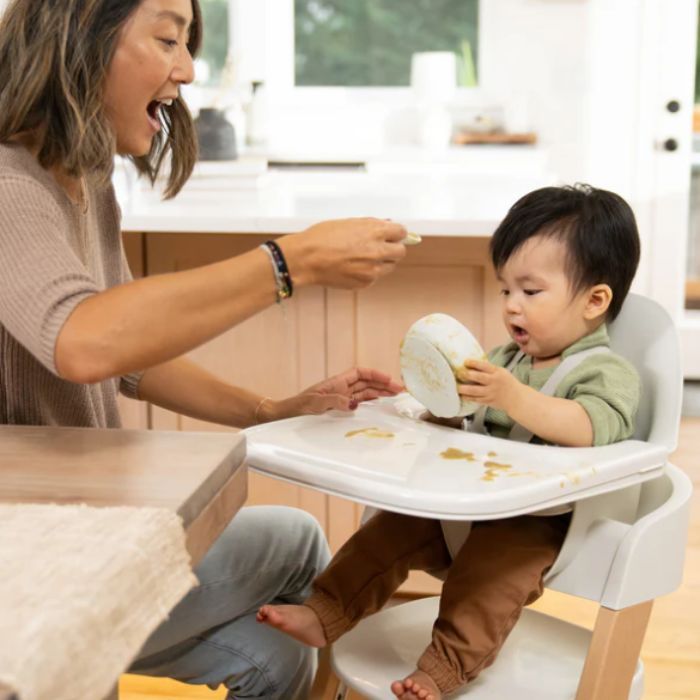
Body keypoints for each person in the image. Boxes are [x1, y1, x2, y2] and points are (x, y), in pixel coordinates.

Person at [0, 0, 409, 697]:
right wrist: (291, 263)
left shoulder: (82, 179)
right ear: (80, 34)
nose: (187, 70)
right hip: (32, 558)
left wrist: (270, 409)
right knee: (300, 545)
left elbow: (129, 349)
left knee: (275, 657)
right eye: (167, 38)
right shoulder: (9, 188)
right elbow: (84, 338)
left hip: (79, 521)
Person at [258, 183, 643, 700]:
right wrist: (435, 406)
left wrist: (513, 398)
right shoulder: (505, 359)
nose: (511, 306)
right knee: (386, 528)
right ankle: (327, 609)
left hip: (541, 523)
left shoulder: (605, 370)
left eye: (530, 292)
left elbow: (595, 427)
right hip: (468, 504)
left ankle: (443, 668)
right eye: (505, 289)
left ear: (595, 300)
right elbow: (472, 425)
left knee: (489, 580)